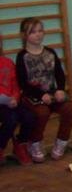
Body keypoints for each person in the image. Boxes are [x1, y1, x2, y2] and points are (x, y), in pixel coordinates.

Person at [15, 17, 72, 162]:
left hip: (51, 93)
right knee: (42, 112)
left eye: (40, 31)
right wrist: (41, 95)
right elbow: (23, 83)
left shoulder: (50, 52)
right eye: (33, 32)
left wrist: (60, 90)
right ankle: (35, 143)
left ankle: (61, 142)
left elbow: (59, 74)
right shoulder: (22, 56)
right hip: (32, 95)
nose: (38, 34)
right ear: (24, 35)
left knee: (69, 109)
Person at [0, 34, 34, 165]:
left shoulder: (7, 62)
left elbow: (15, 85)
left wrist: (15, 98)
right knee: (11, 119)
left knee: (29, 116)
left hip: (11, 102)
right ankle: (1, 146)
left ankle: (20, 143)